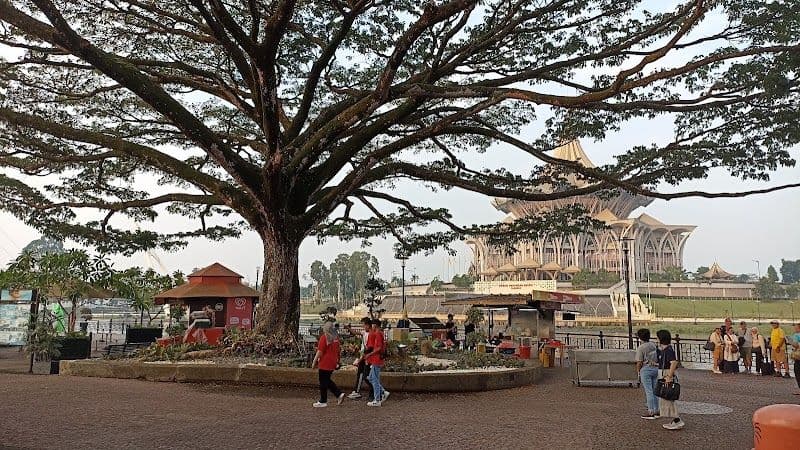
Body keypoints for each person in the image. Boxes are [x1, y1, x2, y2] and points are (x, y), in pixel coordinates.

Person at [311, 321, 345, 408]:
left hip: (325, 362)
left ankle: (323, 400)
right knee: (326, 380)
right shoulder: (336, 339)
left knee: (323, 381)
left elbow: (320, 351)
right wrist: (338, 361)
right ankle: (338, 394)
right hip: (332, 362)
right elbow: (338, 351)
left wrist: (314, 361)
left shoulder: (324, 337)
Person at [657, 329, 684, 430]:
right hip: (665, 373)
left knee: (667, 397)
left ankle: (677, 420)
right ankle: (675, 420)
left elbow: (673, 362)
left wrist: (669, 376)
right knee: (667, 397)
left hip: (666, 374)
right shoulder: (666, 350)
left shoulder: (668, 350)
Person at [634, 328, 660, 419]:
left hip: (646, 370)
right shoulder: (653, 345)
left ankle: (650, 411)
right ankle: (657, 410)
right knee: (655, 390)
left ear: (640, 337)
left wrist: (638, 372)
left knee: (648, 391)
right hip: (655, 369)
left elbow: (639, 362)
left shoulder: (641, 348)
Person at [347, 317, 373, 400]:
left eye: (364, 325)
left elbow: (368, 349)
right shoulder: (365, 332)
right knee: (360, 373)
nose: (363, 327)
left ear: (368, 325)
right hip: (363, 356)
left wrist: (361, 358)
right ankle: (357, 391)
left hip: (367, 356)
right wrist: (348, 328)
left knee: (366, 375)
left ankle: (377, 391)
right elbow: (356, 333)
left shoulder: (371, 334)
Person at [365, 319, 388, 407]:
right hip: (376, 359)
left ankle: (377, 399)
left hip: (376, 359)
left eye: (372, 325)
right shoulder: (379, 333)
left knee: (374, 379)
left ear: (375, 325)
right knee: (371, 378)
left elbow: (378, 348)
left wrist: (369, 354)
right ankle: (383, 392)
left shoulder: (378, 334)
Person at [791, 323, 800, 394]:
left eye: (796, 328)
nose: (794, 329)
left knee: (797, 372)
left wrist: (791, 342)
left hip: (798, 356)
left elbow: (795, 345)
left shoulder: (796, 335)